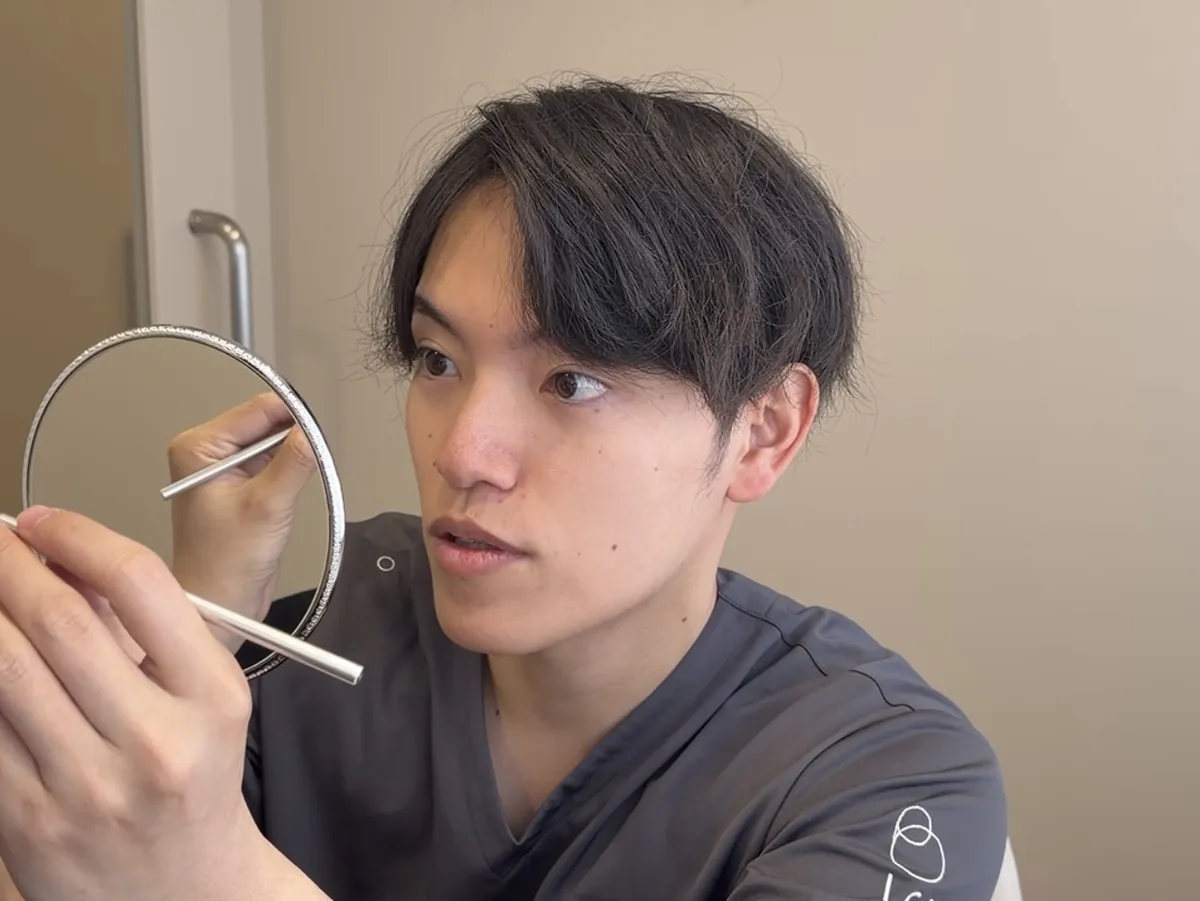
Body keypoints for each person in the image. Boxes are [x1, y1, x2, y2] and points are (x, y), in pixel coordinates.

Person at [0, 78, 1008, 901]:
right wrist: (190, 628)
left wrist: (209, 876)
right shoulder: (331, 624)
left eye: (571, 382)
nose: (463, 453)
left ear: (764, 429)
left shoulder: (881, 777)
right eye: (438, 360)